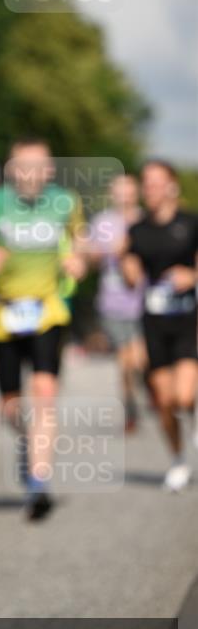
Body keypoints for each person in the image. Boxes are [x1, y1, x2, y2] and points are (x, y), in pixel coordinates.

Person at [0, 138, 86, 520]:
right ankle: (27, 444)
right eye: (22, 167)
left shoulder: (66, 201)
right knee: (11, 406)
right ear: (11, 171)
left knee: (45, 394)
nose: (30, 175)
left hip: (48, 311)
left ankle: (38, 482)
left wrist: (79, 260)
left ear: (50, 170)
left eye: (38, 167)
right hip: (5, 316)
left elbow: (82, 240)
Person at [122, 160, 198, 491]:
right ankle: (179, 459)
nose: (149, 189)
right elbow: (131, 278)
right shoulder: (137, 230)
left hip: (188, 318)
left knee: (184, 395)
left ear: (172, 186)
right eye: (146, 183)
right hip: (154, 321)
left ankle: (193, 420)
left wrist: (191, 276)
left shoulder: (191, 223)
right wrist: (124, 261)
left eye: (156, 182)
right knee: (164, 400)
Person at [87, 174, 146, 431]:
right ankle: (130, 403)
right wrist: (97, 251)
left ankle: (146, 390)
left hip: (145, 300)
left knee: (141, 358)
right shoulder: (103, 222)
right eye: (119, 190)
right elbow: (89, 255)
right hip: (113, 301)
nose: (124, 195)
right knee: (126, 360)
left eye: (129, 190)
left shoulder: (146, 220)